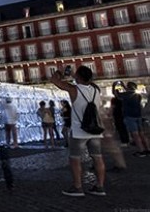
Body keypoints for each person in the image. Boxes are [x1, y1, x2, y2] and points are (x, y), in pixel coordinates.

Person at [50, 66, 106, 197]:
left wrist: (61, 72)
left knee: (75, 159)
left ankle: (77, 187)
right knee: (97, 158)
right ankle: (100, 187)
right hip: (95, 130)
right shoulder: (96, 90)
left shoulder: (74, 89)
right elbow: (88, 81)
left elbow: (53, 80)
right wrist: (77, 76)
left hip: (79, 131)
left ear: (78, 77)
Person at [113, 81, 150, 157]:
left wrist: (114, 86)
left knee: (135, 135)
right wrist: (124, 86)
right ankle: (148, 149)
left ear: (128, 87)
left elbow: (116, 94)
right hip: (138, 116)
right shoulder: (138, 95)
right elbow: (130, 91)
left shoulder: (125, 95)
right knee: (142, 134)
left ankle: (141, 151)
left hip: (130, 116)